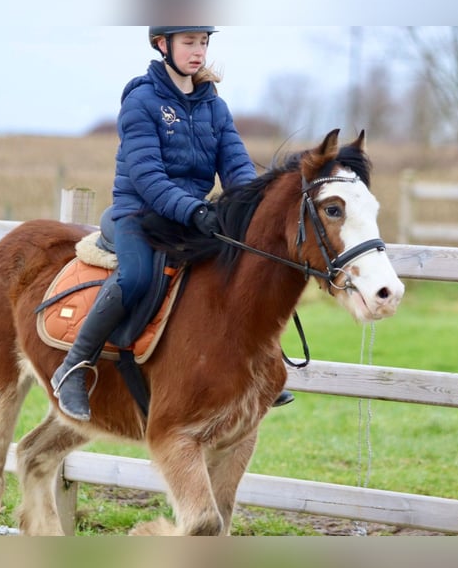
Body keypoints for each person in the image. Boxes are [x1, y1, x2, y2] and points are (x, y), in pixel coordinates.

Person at [51, 26, 294, 421]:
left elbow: (236, 168)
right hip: (138, 216)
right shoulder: (141, 102)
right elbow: (148, 179)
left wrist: (255, 209)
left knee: (243, 271)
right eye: (189, 42)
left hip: (189, 216)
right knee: (136, 279)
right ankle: (74, 368)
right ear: (162, 45)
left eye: (203, 42)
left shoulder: (215, 107)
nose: (198, 51)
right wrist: (195, 211)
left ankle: (261, 365)